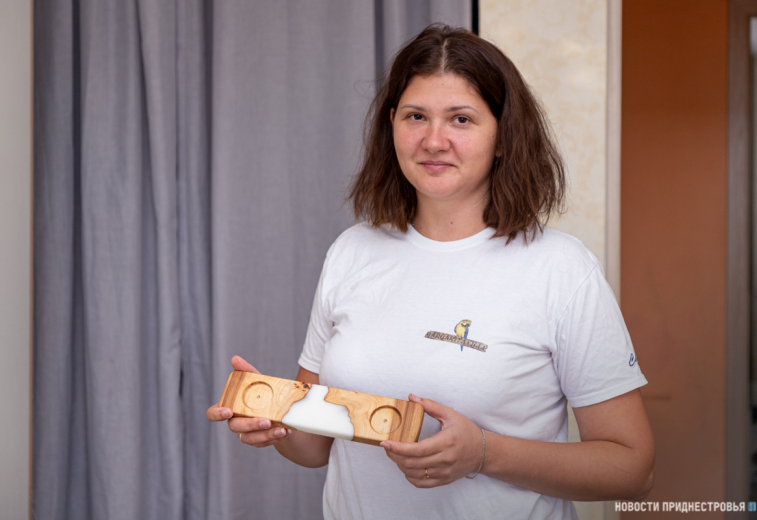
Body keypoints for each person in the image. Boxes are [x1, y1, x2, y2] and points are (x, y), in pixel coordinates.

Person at [207, 24, 654, 520]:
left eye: (461, 119)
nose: (434, 140)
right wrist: (273, 422)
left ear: (503, 136)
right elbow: (315, 448)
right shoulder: (352, 252)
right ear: (392, 125)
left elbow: (631, 469)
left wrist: (484, 453)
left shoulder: (562, 269)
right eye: (416, 116)